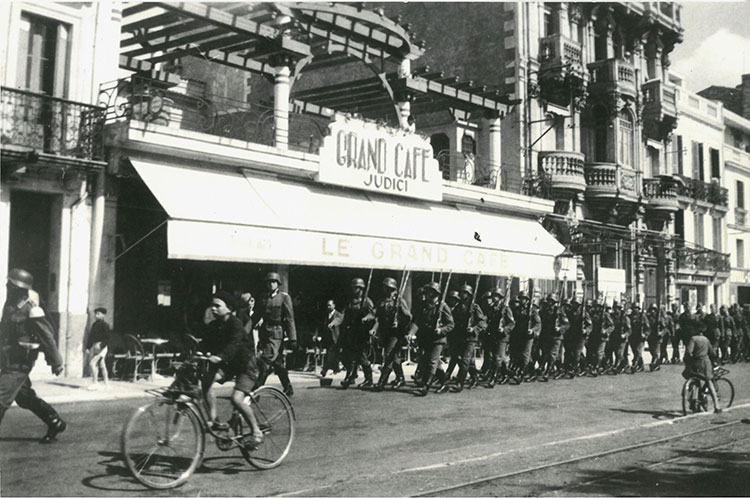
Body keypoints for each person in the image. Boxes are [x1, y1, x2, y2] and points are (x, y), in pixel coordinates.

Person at [0, 268, 66, 443]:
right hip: (7, 359)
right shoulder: (10, 305)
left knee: (1, 397)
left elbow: (47, 337)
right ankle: (54, 421)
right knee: (24, 397)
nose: (7, 285)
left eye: (11, 284)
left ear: (20, 288)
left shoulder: (31, 309)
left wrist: (56, 362)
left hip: (20, 362)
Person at [199, 291, 264, 445]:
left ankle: (256, 431)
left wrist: (220, 357)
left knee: (236, 399)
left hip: (246, 365)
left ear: (229, 308)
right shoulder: (214, 325)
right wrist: (196, 352)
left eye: (217, 306)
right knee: (206, 379)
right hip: (230, 365)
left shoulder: (236, 324)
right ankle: (213, 419)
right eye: (212, 306)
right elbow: (205, 342)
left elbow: (233, 345)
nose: (213, 309)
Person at [255, 272, 297, 397]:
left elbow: (290, 318)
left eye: (273, 282)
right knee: (277, 363)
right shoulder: (263, 298)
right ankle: (288, 387)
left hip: (276, 333)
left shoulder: (284, 297)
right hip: (265, 333)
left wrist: (293, 337)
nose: (270, 284)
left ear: (278, 284)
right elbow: (256, 316)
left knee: (266, 361)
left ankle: (255, 390)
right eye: (268, 282)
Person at [412, 282, 454, 396]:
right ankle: (444, 383)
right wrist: (411, 333)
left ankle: (426, 386)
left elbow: (451, 324)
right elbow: (418, 321)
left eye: (432, 292)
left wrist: (441, 330)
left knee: (432, 362)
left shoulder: (442, 307)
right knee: (430, 362)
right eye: (428, 292)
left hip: (438, 339)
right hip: (427, 338)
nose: (429, 294)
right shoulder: (425, 306)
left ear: (436, 294)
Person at [373, 277, 412, 391]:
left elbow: (408, 317)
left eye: (389, 288)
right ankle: (400, 378)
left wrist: (399, 319)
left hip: (396, 333)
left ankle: (381, 383)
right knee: (394, 357)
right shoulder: (381, 301)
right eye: (385, 288)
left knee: (389, 355)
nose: (387, 290)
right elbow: (376, 315)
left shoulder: (399, 301)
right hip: (385, 332)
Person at [447, 284, 486, 393]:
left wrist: (474, 328)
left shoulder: (474, 307)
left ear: (469, 295)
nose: (462, 295)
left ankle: (460, 383)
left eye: (465, 293)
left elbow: (482, 322)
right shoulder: (458, 306)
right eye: (461, 293)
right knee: (465, 360)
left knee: (465, 359)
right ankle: (474, 376)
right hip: (460, 336)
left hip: (471, 338)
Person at [340, 278, 375, 389]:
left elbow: (373, 315)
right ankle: (351, 377)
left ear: (361, 288)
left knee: (361, 356)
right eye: (353, 287)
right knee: (350, 356)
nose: (353, 289)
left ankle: (369, 379)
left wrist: (366, 318)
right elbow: (344, 314)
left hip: (362, 333)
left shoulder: (366, 301)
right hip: (351, 332)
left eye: (356, 287)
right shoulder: (350, 301)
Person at [682, 327, 722, 414]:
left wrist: (687, 360)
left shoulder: (693, 339)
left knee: (694, 379)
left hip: (694, 363)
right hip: (704, 363)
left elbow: (688, 352)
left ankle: (694, 401)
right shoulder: (706, 339)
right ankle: (717, 406)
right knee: (709, 382)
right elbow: (712, 353)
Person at [85, 307, 112, 390]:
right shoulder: (94, 325)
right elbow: (91, 337)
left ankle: (95, 382)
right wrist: (88, 347)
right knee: (102, 365)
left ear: (103, 315)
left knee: (92, 363)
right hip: (95, 346)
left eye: (98, 314)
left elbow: (108, 338)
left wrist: (101, 345)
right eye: (95, 314)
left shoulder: (105, 325)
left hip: (102, 348)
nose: (96, 316)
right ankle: (107, 384)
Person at [319, 300, 343, 377]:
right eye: (327, 305)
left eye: (330, 305)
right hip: (327, 337)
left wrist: (333, 324)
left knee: (330, 354)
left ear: (334, 305)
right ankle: (336, 368)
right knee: (332, 354)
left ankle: (324, 370)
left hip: (336, 337)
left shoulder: (338, 314)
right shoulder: (326, 315)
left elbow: (339, 321)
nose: (328, 307)